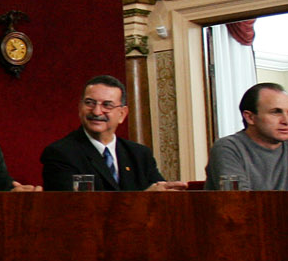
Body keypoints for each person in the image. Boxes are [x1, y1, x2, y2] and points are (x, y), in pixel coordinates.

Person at [40, 74, 186, 191]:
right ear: (80, 108)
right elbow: (76, 210)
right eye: (90, 103)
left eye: (107, 105)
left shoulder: (140, 155)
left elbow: (159, 194)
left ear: (122, 114)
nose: (97, 111)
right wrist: (144, 199)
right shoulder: (61, 154)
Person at [204, 82, 288, 190]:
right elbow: (240, 203)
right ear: (250, 117)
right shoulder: (228, 148)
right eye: (276, 112)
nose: (286, 121)